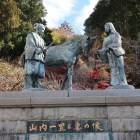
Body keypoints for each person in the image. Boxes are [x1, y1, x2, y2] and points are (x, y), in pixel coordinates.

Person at [23, 23, 46, 89]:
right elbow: (29, 44)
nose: (43, 31)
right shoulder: (31, 35)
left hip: (39, 58)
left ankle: (37, 84)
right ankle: (29, 85)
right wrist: (36, 49)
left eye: (43, 30)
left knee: (38, 72)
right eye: (42, 29)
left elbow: (42, 48)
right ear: (38, 28)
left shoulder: (42, 40)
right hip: (32, 56)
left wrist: (44, 51)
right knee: (30, 71)